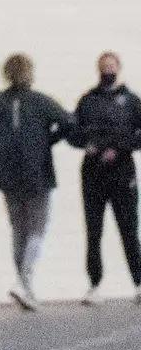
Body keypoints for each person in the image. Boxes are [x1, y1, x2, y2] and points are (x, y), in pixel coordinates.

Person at [0, 55, 73, 310]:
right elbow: (67, 122)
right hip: (36, 170)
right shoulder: (40, 101)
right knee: (37, 226)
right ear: (29, 73)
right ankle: (24, 282)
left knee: (18, 228)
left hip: (7, 172)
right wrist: (49, 139)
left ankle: (25, 286)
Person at [70, 51, 141, 304]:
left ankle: (139, 282)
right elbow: (72, 131)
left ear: (119, 68)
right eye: (103, 67)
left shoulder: (132, 101)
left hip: (122, 172)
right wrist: (85, 144)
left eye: (111, 67)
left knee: (129, 229)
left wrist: (120, 148)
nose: (107, 71)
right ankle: (94, 284)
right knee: (93, 231)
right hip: (93, 173)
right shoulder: (87, 100)